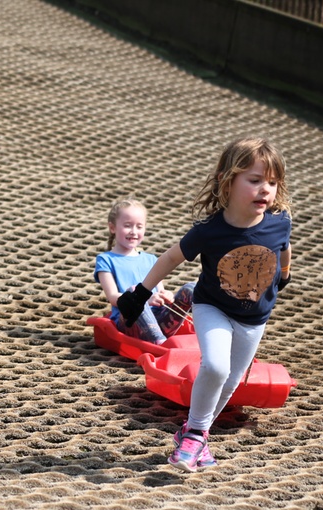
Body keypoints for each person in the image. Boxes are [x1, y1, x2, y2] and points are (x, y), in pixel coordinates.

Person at [116, 137, 293, 473]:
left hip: (255, 319)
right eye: (254, 180)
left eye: (272, 183)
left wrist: (284, 275)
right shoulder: (210, 231)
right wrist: (139, 294)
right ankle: (195, 433)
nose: (265, 190)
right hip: (213, 308)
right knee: (215, 366)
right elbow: (171, 257)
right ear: (228, 180)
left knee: (231, 382)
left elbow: (284, 247)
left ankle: (195, 435)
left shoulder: (279, 221)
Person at [95, 197, 194, 346]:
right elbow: (113, 297)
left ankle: (209, 334)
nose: (133, 232)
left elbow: (160, 291)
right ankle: (160, 345)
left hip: (159, 320)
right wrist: (143, 299)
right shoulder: (106, 260)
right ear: (113, 227)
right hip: (129, 320)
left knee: (191, 288)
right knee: (134, 292)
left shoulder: (151, 259)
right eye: (127, 226)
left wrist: (166, 296)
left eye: (139, 226)